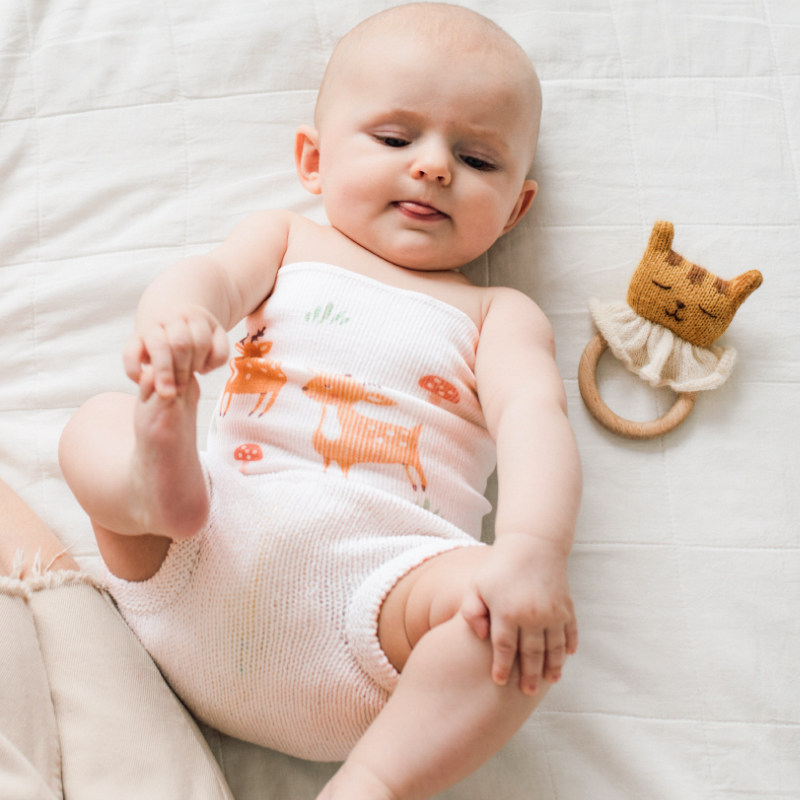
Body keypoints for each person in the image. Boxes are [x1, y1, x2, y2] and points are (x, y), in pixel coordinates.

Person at [59, 3, 582, 798]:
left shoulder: (497, 315)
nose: (434, 167)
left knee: (509, 627)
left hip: (384, 599)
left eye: (476, 158)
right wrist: (179, 320)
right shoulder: (285, 241)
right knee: (96, 422)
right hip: (202, 546)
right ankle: (150, 488)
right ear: (314, 159)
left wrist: (532, 553)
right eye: (396, 139)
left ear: (515, 209)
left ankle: (371, 783)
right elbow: (209, 279)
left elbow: (534, 420)